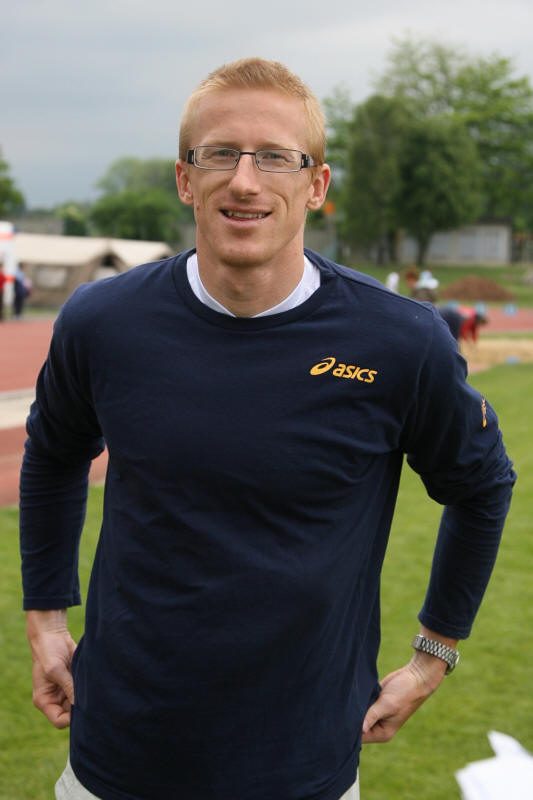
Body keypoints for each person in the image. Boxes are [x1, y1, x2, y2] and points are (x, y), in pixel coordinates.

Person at [20, 58, 515, 800]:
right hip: (118, 753)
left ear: (316, 185)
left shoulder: (399, 343)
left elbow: (481, 485)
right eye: (220, 153)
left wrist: (433, 652)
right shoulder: (103, 323)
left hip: (304, 761)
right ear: (185, 178)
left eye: (277, 157)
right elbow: (54, 454)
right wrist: (46, 618)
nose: (245, 181)